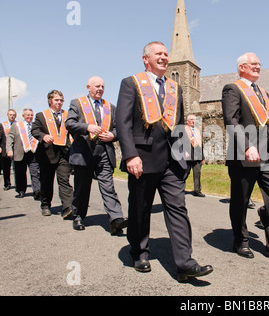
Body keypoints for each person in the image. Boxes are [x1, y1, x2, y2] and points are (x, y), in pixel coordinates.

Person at [116, 41, 213, 281]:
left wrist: (184, 156)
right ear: (145, 59)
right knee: (140, 208)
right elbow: (123, 123)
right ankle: (140, 252)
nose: (163, 57)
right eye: (158, 54)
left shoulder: (175, 88)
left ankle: (185, 264)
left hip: (172, 161)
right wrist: (130, 155)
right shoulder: (131, 83)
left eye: (166, 54)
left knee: (178, 209)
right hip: (143, 158)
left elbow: (178, 124)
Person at [221, 52, 269, 262]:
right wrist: (247, 146)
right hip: (244, 154)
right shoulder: (233, 89)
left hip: (268, 154)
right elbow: (231, 120)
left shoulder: (263, 92)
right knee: (240, 200)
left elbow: (268, 120)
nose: (258, 67)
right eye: (253, 64)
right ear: (242, 67)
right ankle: (241, 241)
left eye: (259, 64)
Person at [65, 76, 127, 235]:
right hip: (84, 152)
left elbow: (120, 128)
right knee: (82, 187)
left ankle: (116, 219)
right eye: (97, 86)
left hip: (104, 152)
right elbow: (69, 123)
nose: (100, 89)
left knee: (108, 187)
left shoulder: (110, 107)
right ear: (88, 87)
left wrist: (113, 136)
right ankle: (78, 215)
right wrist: (87, 127)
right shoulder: (77, 104)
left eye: (102, 87)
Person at [32, 90, 73, 218]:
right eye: (56, 100)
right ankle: (45, 205)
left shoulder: (68, 115)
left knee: (64, 180)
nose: (59, 102)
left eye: (61, 100)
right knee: (46, 181)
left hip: (64, 154)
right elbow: (35, 130)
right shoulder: (41, 115)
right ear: (50, 101)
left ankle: (67, 208)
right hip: (47, 154)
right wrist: (43, 136)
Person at [6, 108, 40, 199]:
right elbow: (9, 137)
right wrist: (9, 149)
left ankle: (37, 190)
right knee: (20, 173)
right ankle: (21, 190)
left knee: (35, 172)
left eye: (31, 115)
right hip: (20, 152)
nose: (30, 117)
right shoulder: (16, 125)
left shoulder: (35, 126)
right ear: (23, 116)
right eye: (28, 115)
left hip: (33, 153)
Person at [185, 114, 205, 197]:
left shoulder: (197, 130)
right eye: (192, 119)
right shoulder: (184, 130)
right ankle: (179, 188)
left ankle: (197, 190)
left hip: (197, 156)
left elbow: (201, 144)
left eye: (194, 119)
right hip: (188, 156)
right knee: (185, 174)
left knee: (197, 173)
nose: (193, 121)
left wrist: (202, 157)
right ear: (188, 121)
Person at [0, 109, 17, 191]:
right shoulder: (3, 125)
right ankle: (7, 183)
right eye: (10, 114)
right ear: (7, 115)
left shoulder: (18, 125)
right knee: (6, 168)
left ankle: (18, 184)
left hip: (16, 148)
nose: (12, 116)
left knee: (17, 167)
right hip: (5, 149)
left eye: (13, 115)